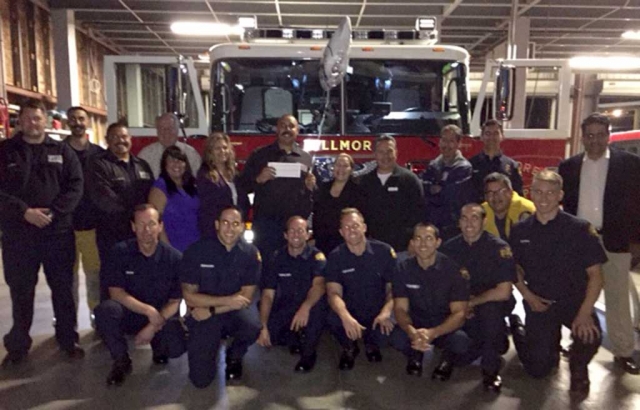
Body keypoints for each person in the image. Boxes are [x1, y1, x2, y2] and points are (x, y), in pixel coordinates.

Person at [0, 99, 84, 365]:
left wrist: (54, 213)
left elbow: (75, 185)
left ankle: (68, 340)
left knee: (62, 289)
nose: (32, 123)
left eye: (37, 118)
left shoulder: (62, 150)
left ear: (45, 120)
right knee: (21, 291)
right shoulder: (5, 151)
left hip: (56, 233)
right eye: (26, 118)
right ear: (19, 121)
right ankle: (19, 345)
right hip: (18, 234)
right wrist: (24, 211)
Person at [509, 170, 606, 394]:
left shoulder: (580, 229)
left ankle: (578, 367)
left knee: (590, 335)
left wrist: (584, 313)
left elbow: (596, 275)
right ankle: (519, 329)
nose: (543, 198)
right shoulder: (520, 230)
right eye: (539, 192)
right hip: (539, 303)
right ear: (530, 193)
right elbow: (514, 268)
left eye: (550, 193)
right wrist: (527, 296)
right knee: (538, 369)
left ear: (560, 195)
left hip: (573, 303)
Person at [558, 112, 640, 375]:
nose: (594, 141)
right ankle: (578, 343)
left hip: (615, 240)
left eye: (599, 135)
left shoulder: (630, 165)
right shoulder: (568, 167)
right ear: (582, 137)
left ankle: (623, 352)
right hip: (580, 242)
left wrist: (636, 242)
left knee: (617, 297)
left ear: (608, 135)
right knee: (578, 296)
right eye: (589, 135)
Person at [94, 204, 185, 386]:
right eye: (141, 224)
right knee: (105, 311)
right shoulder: (119, 252)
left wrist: (152, 325)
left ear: (160, 227)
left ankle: (159, 347)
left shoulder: (174, 258)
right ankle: (121, 360)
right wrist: (148, 311)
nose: (146, 230)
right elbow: (116, 293)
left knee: (176, 347)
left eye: (151, 224)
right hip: (130, 312)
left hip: (160, 317)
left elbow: (176, 300)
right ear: (133, 227)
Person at [180, 206, 262, 388]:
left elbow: (246, 297)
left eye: (235, 224)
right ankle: (209, 347)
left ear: (242, 227)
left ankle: (234, 355)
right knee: (200, 381)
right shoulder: (196, 251)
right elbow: (189, 297)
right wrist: (225, 301)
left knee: (252, 325)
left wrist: (212, 309)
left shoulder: (250, 254)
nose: (230, 229)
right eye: (225, 223)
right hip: (203, 314)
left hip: (225, 311)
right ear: (217, 224)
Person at [440, 204, 517, 392]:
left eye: (474, 218)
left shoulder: (499, 248)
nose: (469, 223)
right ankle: (449, 357)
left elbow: (503, 292)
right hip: (461, 301)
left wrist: (472, 303)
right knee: (462, 349)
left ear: (484, 221)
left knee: (491, 316)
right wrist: (460, 305)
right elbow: (442, 285)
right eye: (464, 218)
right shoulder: (449, 248)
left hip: (491, 302)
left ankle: (490, 371)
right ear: (458, 222)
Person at [393, 223, 470, 382]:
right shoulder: (403, 269)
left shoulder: (453, 270)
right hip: (417, 323)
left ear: (438, 242)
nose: (422, 244)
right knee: (396, 338)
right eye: (418, 239)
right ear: (412, 243)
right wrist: (411, 331)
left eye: (428, 239)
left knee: (460, 342)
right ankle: (415, 353)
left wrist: (433, 333)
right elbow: (400, 308)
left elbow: (459, 313)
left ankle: (447, 359)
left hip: (444, 326)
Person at [325, 208, 400, 370]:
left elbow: (393, 289)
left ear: (364, 227)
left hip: (378, 311)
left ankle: (371, 343)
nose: (351, 230)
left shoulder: (384, 251)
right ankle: (349, 346)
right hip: (351, 310)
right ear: (341, 232)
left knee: (388, 337)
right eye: (346, 227)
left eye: (355, 225)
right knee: (332, 317)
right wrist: (346, 317)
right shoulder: (335, 257)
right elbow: (333, 293)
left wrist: (386, 312)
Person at [85, 123, 154, 300]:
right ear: (107, 140)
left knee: (141, 280)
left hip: (140, 235)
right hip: (113, 236)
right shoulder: (98, 165)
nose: (120, 141)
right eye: (115, 137)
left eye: (124, 137)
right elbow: (104, 200)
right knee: (113, 280)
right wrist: (136, 219)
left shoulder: (142, 165)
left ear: (130, 139)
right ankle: (109, 323)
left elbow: (151, 198)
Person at [238, 114, 315, 261]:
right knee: (266, 267)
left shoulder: (306, 159)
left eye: (291, 126)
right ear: (276, 129)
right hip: (266, 226)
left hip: (295, 228)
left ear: (298, 130)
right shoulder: (259, 155)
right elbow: (242, 186)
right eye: (283, 126)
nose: (287, 129)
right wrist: (259, 179)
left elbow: (313, 193)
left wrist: (312, 186)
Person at [257, 216, 327, 373]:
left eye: (300, 230)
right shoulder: (276, 258)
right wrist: (263, 326)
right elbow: (268, 294)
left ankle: (309, 354)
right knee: (269, 336)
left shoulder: (317, 257)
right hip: (286, 304)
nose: (296, 234)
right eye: (292, 231)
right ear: (285, 235)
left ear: (308, 235)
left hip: (309, 305)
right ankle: (295, 336)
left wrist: (305, 307)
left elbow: (320, 285)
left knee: (319, 307)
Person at [64, 106, 105, 323]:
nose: (77, 122)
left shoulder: (98, 154)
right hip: (65, 228)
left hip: (91, 226)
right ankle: (68, 322)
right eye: (73, 119)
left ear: (87, 122)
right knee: (67, 279)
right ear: (67, 123)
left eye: (81, 118)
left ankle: (97, 318)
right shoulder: (59, 151)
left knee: (94, 277)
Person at [359, 135, 424, 251]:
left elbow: (419, 215)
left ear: (396, 152)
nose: (386, 156)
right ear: (375, 154)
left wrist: (414, 241)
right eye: (381, 152)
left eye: (389, 151)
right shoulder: (365, 182)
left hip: (403, 248)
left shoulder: (409, 180)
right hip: (372, 249)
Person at [421, 125, 473, 240]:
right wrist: (436, 189)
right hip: (432, 225)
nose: (446, 145)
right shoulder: (433, 165)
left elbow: (452, 196)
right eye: (444, 140)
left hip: (452, 227)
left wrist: (435, 190)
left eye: (451, 141)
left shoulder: (464, 168)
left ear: (459, 143)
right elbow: (422, 188)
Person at [148, 146, 200, 252]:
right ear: (164, 164)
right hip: (173, 248)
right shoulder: (160, 187)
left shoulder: (191, 186)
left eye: (180, 160)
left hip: (194, 245)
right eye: (171, 160)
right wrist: (167, 249)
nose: (176, 164)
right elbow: (156, 223)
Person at [196, 132, 248, 238]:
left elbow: (243, 201)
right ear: (210, 152)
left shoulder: (235, 175)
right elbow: (208, 209)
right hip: (215, 233)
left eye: (225, 148)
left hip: (235, 231)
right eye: (217, 148)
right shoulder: (205, 176)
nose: (222, 151)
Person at [312, 153, 364, 254]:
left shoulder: (358, 192)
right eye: (338, 165)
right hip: (323, 244)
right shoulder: (323, 188)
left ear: (351, 169)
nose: (341, 169)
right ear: (332, 168)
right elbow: (316, 216)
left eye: (345, 166)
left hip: (347, 245)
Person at [470, 119, 523, 203]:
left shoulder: (511, 165)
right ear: (481, 137)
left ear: (502, 136)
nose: (492, 137)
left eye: (496, 133)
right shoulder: (471, 164)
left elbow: (518, 196)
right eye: (488, 134)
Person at [138, 113, 201, 179]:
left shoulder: (191, 154)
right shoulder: (145, 155)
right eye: (162, 128)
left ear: (177, 130)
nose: (166, 132)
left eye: (171, 128)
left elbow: (199, 182)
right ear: (157, 131)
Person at [482, 172, 535, 240]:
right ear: (485, 197)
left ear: (510, 192)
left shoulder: (527, 209)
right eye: (490, 193)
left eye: (500, 191)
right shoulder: (481, 212)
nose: (495, 196)